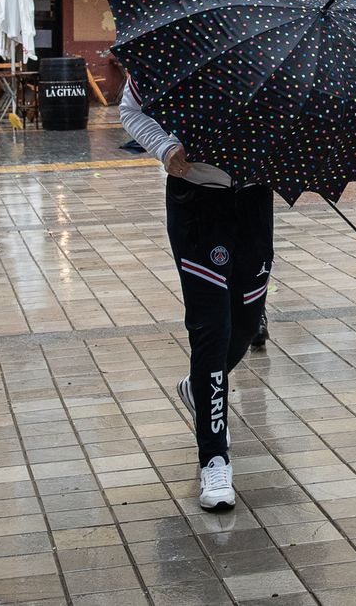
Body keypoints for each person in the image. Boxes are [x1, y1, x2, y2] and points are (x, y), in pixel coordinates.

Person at [119, 76, 274, 511]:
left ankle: (200, 388)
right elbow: (130, 109)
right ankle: (214, 459)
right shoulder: (182, 51)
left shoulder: (280, 59)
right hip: (196, 204)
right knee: (212, 331)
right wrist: (166, 147)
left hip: (254, 199)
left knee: (246, 325)